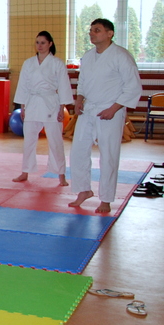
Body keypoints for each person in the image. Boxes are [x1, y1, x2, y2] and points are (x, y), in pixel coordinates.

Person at [69, 19, 143, 214]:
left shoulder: (121, 56)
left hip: (110, 111)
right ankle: (84, 190)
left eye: (97, 30)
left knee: (109, 155)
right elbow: (82, 82)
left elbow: (133, 86)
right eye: (91, 30)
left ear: (110, 34)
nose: (92, 33)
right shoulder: (88, 56)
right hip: (88, 109)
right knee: (78, 152)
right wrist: (79, 99)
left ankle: (106, 199)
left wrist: (114, 108)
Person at [13, 31, 73, 186]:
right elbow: (23, 86)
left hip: (50, 103)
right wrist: (22, 106)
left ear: (50, 44)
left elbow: (64, 86)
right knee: (29, 140)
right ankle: (25, 171)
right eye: (37, 42)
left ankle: (61, 174)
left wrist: (62, 107)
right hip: (32, 102)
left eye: (43, 43)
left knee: (55, 140)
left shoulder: (57, 63)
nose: (39, 46)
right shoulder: (28, 63)